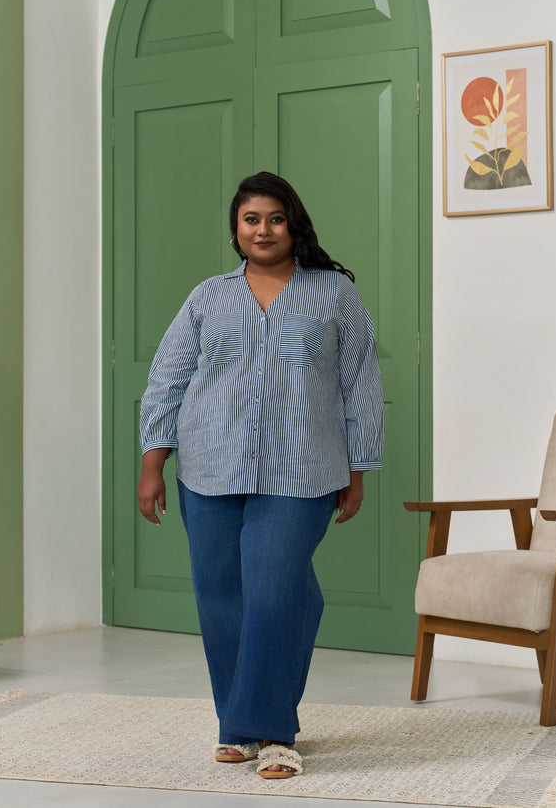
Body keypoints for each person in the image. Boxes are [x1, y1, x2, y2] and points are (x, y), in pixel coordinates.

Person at [137, 171, 383, 779]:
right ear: (236, 229)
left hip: (303, 471)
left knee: (274, 590)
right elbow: (168, 378)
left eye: (274, 218)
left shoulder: (334, 295)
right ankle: (238, 729)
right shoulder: (208, 297)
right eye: (251, 219)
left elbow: (360, 384)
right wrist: (152, 463)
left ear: (292, 222)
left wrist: (358, 469)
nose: (263, 230)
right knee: (223, 597)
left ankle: (272, 733)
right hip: (208, 466)